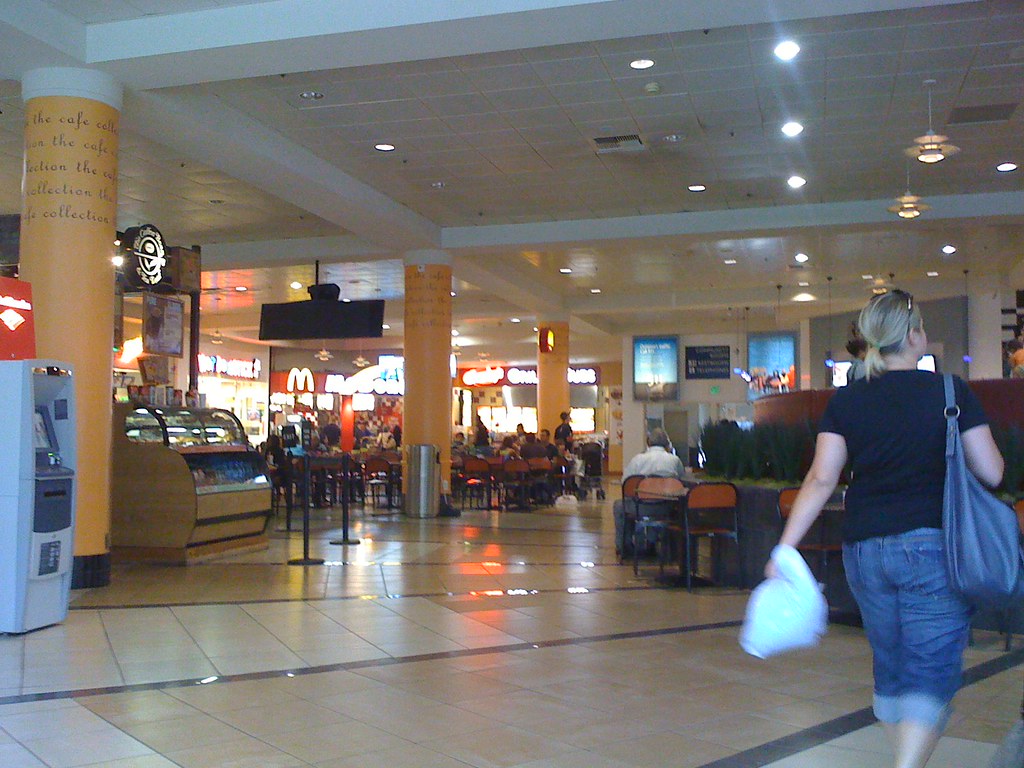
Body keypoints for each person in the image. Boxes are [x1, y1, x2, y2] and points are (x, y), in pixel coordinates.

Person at [773, 289, 1003, 768]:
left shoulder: (846, 400)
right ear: (915, 335)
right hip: (933, 546)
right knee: (930, 671)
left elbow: (821, 479)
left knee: (892, 662)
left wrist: (785, 548)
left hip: (864, 551)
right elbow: (993, 471)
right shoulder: (950, 392)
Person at [614, 428, 686, 556]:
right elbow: (681, 482)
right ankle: (667, 547)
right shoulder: (674, 460)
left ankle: (624, 546)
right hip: (666, 508)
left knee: (619, 506)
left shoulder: (637, 460)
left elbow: (625, 484)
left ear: (648, 442)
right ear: (667, 444)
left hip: (640, 507)